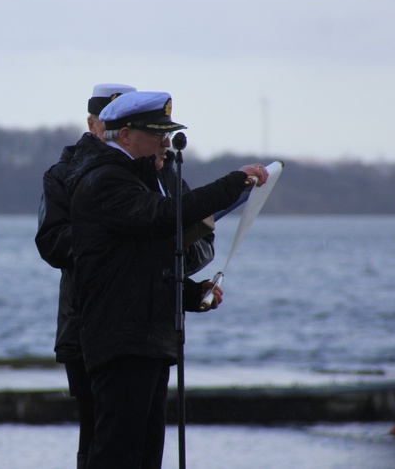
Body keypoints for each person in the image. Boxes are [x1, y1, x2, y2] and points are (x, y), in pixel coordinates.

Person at [65, 91, 269, 468]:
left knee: (144, 456)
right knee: (117, 455)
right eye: (155, 132)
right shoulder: (105, 180)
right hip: (122, 340)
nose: (164, 141)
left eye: (167, 132)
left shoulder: (144, 179)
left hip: (147, 339)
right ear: (125, 135)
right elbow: (164, 217)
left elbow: (144, 263)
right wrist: (232, 184)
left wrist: (191, 294)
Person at [35, 84, 216, 469]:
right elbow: (52, 242)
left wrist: (186, 288)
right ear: (94, 123)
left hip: (152, 322)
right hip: (85, 319)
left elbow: (198, 241)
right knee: (102, 440)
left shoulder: (163, 170)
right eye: (109, 120)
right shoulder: (67, 174)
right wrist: (117, 236)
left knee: (147, 443)